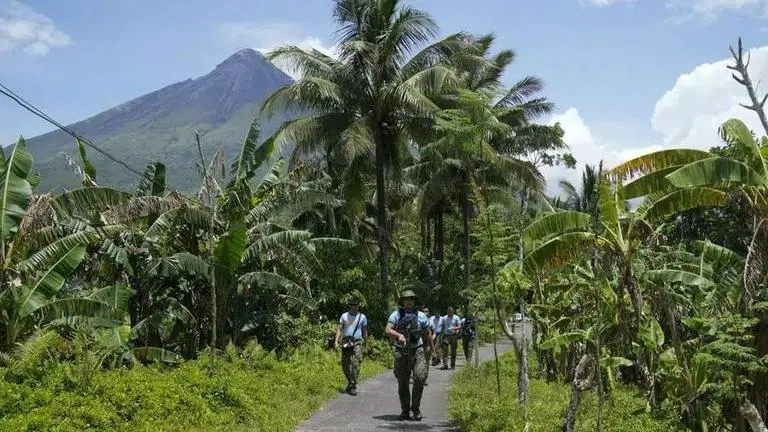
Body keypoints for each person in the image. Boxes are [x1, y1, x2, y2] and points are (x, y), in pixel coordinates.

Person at [386, 290, 433, 421]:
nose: (409, 301)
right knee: (403, 382)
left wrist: (432, 349)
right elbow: (388, 329)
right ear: (402, 301)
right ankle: (405, 410)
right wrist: (398, 335)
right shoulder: (396, 315)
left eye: (411, 299)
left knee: (420, 377)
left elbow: (427, 333)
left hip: (417, 349)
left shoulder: (421, 316)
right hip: (401, 351)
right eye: (406, 299)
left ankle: (416, 407)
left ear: (414, 301)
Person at [335, 296, 368, 396]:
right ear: (349, 305)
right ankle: (350, 382)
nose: (354, 307)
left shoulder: (362, 317)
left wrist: (366, 344)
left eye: (356, 305)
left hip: (357, 342)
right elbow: (339, 329)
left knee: (356, 364)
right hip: (346, 342)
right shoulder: (344, 316)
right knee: (345, 365)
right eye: (352, 305)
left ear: (358, 305)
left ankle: (353, 386)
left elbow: (365, 331)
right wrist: (336, 341)